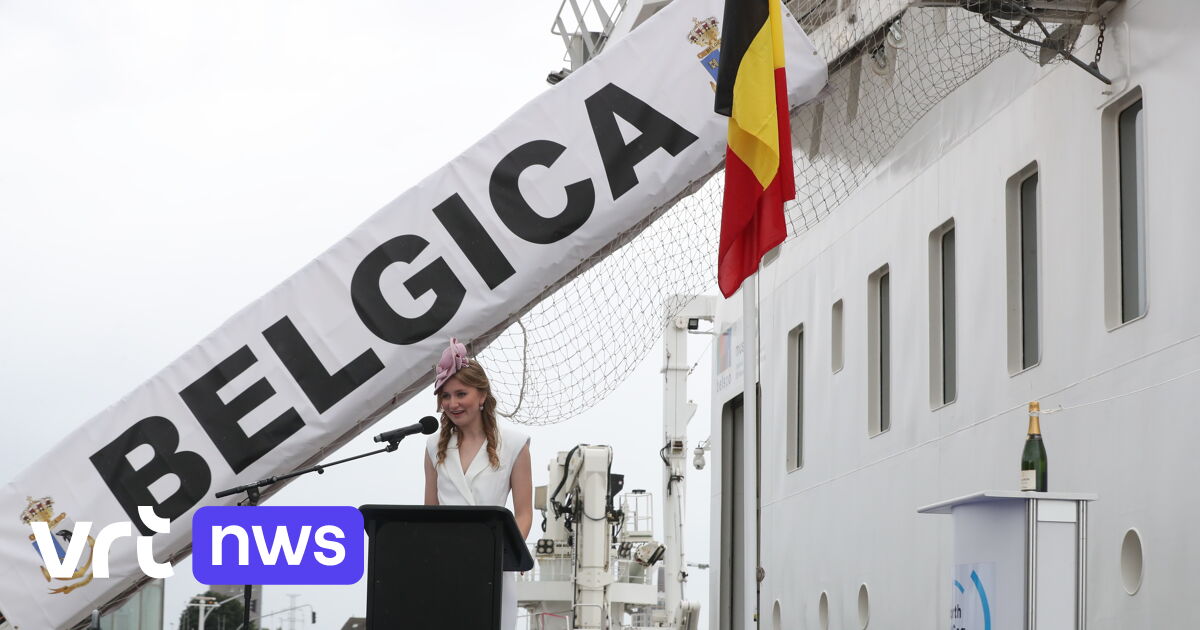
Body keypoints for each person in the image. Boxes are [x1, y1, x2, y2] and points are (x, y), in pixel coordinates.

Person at [423, 338, 533, 630]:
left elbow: (524, 513)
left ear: (482, 395)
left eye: (461, 393)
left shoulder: (514, 443)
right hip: (445, 566)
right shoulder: (434, 446)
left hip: (493, 568)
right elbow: (429, 511)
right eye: (445, 396)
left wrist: (503, 553)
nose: (452, 404)